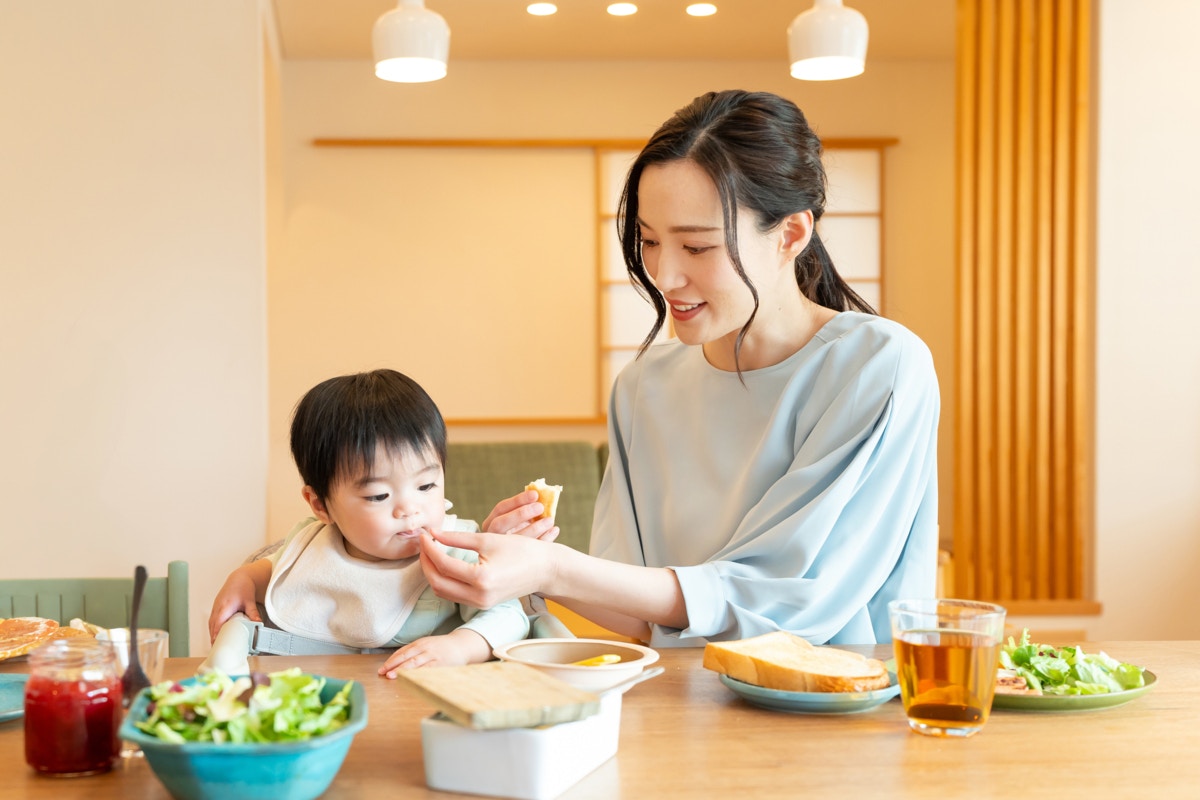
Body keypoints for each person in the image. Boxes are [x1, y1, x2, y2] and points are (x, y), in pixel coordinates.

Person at [417, 89, 940, 648]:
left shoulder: (877, 367)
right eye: (648, 241)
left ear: (790, 234)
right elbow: (646, 616)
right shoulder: (643, 388)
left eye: (697, 247)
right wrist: (528, 561)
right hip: (682, 713)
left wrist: (554, 569)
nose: (664, 276)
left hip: (835, 713)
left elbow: (791, 601)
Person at [207, 369, 554, 677]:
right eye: (378, 496)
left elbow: (510, 618)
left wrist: (459, 647)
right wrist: (244, 577)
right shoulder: (313, 540)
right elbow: (281, 565)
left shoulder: (457, 548)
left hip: (428, 699)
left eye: (426, 486)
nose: (409, 509)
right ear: (320, 505)